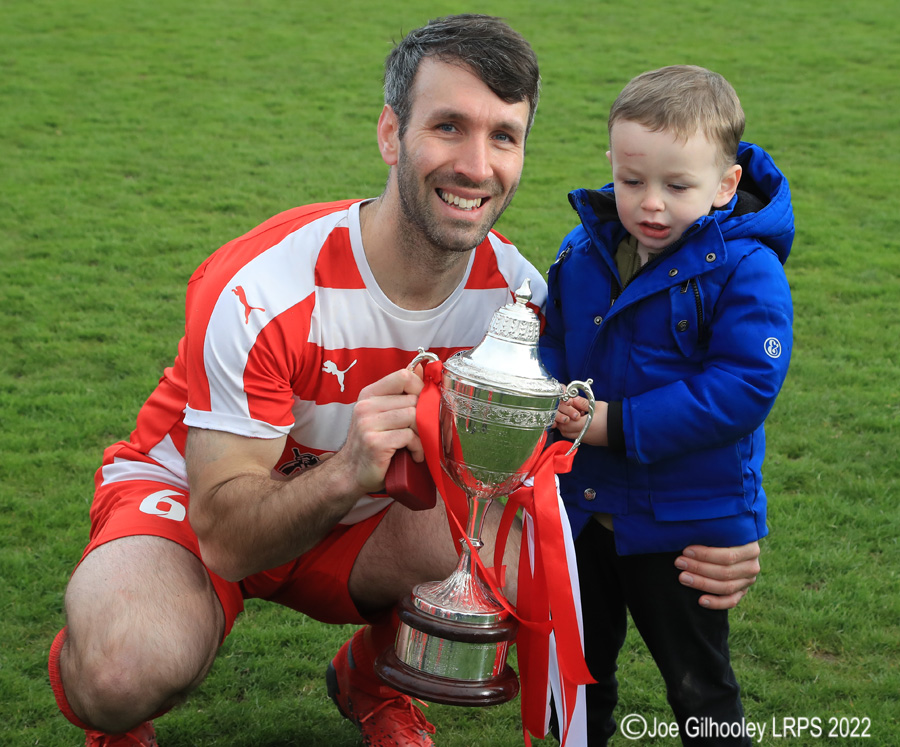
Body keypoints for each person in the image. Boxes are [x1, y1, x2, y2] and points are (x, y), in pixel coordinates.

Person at [48, 20, 763, 746]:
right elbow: (227, 538)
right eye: (448, 126)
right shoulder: (262, 287)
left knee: (534, 547)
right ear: (391, 134)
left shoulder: (518, 302)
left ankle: (373, 676)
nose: (476, 165)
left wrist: (723, 527)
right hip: (203, 509)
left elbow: (601, 418)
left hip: (367, 525)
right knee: (121, 666)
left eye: (504, 137)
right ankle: (119, 716)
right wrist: (345, 473)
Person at [540, 65, 794, 745]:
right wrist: (546, 397)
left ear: (726, 184)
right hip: (582, 510)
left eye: (677, 186)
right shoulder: (583, 248)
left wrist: (612, 423)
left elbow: (743, 386)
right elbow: (553, 342)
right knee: (574, 673)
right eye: (631, 181)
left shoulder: (749, 269)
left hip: (686, 525)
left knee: (698, 686)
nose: (649, 203)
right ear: (611, 166)